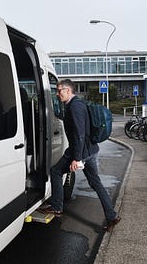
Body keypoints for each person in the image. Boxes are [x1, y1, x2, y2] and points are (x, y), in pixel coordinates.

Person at [40, 79, 121, 232]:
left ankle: (57, 207)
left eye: (59, 91)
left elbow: (79, 134)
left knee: (56, 171)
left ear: (68, 90)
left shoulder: (75, 106)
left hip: (81, 152)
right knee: (96, 183)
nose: (57, 94)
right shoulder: (76, 104)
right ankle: (112, 216)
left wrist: (76, 158)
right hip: (90, 151)